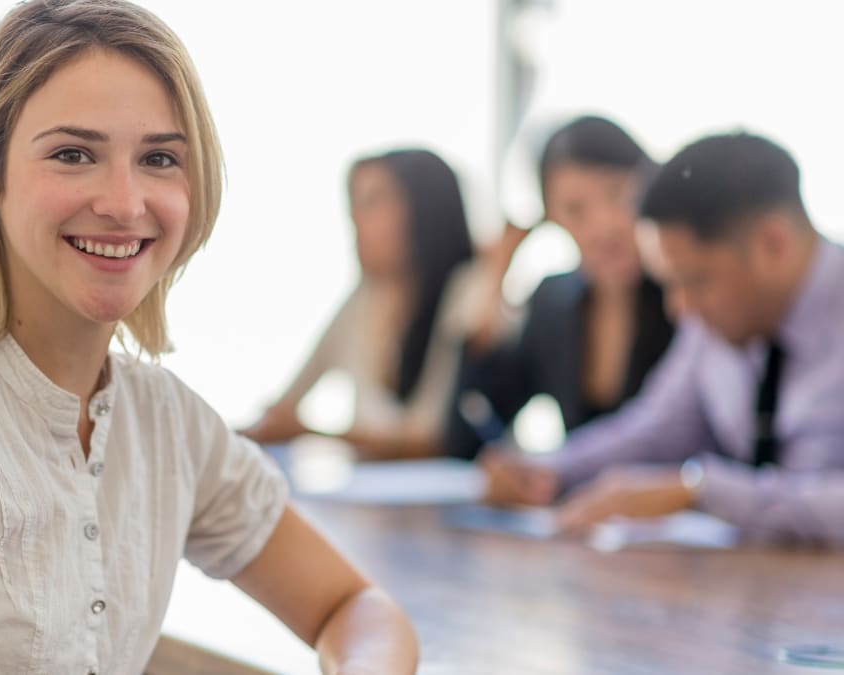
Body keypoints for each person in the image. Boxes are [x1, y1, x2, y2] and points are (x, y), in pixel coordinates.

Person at [0, 2, 418, 673]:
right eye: (74, 154)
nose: (124, 202)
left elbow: (357, 607)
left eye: (159, 158)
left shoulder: (168, 423)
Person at [483, 132, 844, 546]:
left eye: (695, 281)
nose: (679, 307)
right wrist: (548, 469)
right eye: (669, 284)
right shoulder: (711, 326)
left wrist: (700, 491)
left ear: (773, 244)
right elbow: (654, 430)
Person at [445, 116, 675, 459]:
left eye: (618, 195)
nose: (603, 225)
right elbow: (468, 434)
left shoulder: (688, 301)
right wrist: (496, 275)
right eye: (575, 210)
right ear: (552, 219)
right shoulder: (553, 303)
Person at [242, 149, 478, 459]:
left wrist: (308, 433)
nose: (355, 219)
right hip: (364, 497)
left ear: (423, 210)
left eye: (372, 203)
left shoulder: (468, 290)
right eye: (354, 203)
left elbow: (434, 439)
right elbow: (286, 406)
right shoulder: (363, 299)